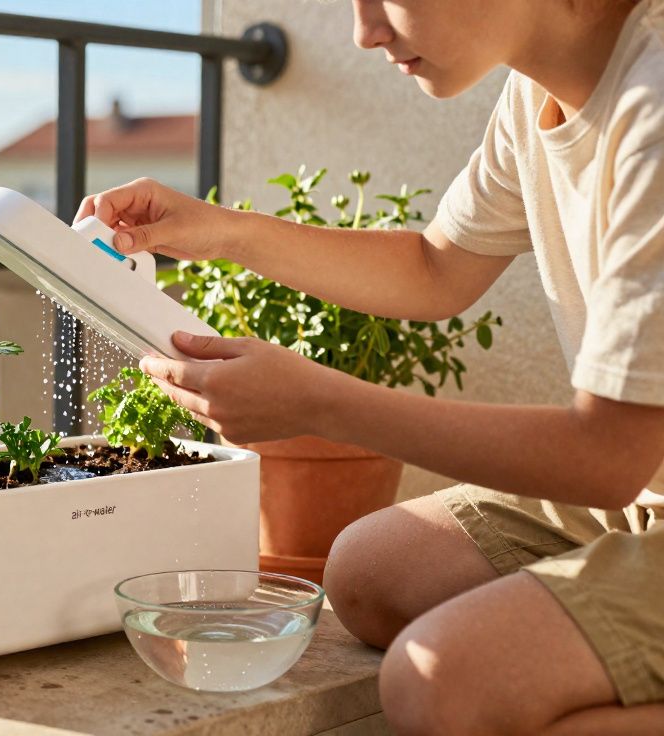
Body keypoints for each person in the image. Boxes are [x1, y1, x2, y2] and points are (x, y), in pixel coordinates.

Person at [75, 0, 664, 732]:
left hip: (626, 470)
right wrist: (223, 232)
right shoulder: (535, 92)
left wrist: (318, 403)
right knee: (370, 571)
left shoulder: (654, 106)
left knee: (440, 683)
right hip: (644, 494)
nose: (365, 32)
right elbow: (435, 269)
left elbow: (607, 455)